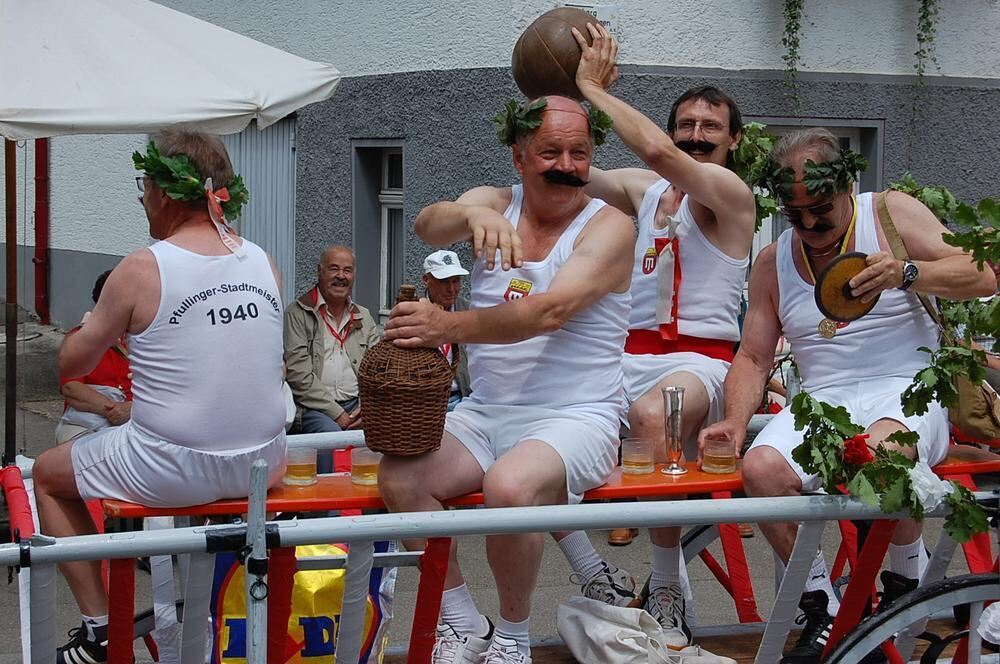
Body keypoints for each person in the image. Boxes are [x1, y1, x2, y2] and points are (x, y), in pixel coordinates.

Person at [699, 127, 996, 663]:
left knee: (884, 459)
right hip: (822, 397)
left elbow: (984, 273)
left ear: (845, 185)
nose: (811, 224)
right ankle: (822, 606)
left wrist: (908, 272)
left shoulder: (890, 214)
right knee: (761, 471)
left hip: (906, 386)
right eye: (796, 213)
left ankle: (906, 584)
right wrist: (736, 422)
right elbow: (752, 357)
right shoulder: (772, 261)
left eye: (821, 209)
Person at [378, 95, 635, 664]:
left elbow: (549, 312)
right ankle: (464, 622)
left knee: (510, 487)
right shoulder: (495, 202)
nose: (566, 164)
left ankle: (513, 640)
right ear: (519, 158)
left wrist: (444, 324)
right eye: (550, 152)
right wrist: (473, 215)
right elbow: (426, 224)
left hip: (579, 415)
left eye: (579, 152)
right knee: (399, 476)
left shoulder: (611, 225)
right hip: (488, 410)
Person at [31, 129, 288, 664]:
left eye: (143, 185)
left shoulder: (143, 266)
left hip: (169, 465)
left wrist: (87, 327)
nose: (143, 197)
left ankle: (101, 629)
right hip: (266, 462)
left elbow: (70, 364)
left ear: (166, 193)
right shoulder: (263, 260)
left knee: (47, 479)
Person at [553, 23, 756, 645]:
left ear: (734, 141)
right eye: (686, 126)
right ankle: (596, 575)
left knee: (657, 414)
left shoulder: (732, 197)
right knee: (532, 423)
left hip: (700, 362)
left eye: (710, 128)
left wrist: (591, 88)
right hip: (624, 354)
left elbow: (659, 155)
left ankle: (666, 587)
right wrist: (553, 106)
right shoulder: (647, 192)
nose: (696, 136)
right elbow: (569, 174)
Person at [283, 245, 380, 472]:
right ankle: (330, 507)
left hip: (358, 405)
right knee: (330, 437)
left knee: (387, 433)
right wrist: (339, 415)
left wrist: (367, 407)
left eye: (347, 271)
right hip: (315, 410)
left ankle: (379, 506)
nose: (341, 276)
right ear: (320, 271)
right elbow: (299, 376)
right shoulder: (298, 314)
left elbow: (378, 370)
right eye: (334, 269)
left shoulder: (363, 316)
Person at [55, 271, 133, 445]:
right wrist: (112, 409)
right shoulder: (81, 338)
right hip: (89, 419)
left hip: (136, 419)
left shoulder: (141, 339)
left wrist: (132, 410)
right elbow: (71, 388)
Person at [422, 249, 472, 410]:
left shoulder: (469, 311)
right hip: (424, 403)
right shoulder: (413, 311)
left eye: (456, 281)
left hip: (464, 399)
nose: (452, 289)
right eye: (444, 281)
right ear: (426, 280)